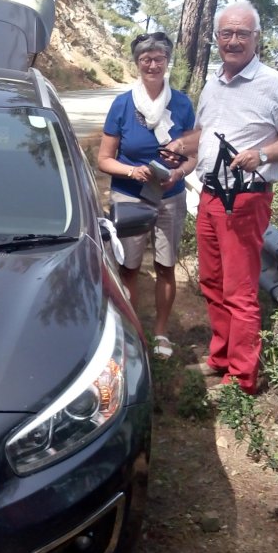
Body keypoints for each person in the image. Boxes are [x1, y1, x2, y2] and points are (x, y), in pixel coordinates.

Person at [164, 2, 278, 393]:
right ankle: (222, 357)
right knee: (211, 281)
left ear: (256, 38)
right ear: (217, 38)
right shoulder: (213, 84)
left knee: (239, 290)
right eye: (226, 33)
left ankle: (242, 377)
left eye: (242, 33)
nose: (233, 41)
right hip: (210, 195)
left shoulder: (275, 84)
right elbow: (205, 134)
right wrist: (180, 145)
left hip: (245, 200)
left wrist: (262, 155)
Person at [98, 31, 196, 359]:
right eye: (146, 59)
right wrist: (131, 171)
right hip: (129, 197)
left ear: (168, 61)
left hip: (170, 196)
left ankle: (161, 333)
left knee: (165, 266)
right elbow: (104, 159)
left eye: (159, 59)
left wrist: (179, 173)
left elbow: (193, 156)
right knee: (128, 267)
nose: (153, 65)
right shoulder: (122, 105)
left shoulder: (182, 104)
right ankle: (131, 330)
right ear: (137, 63)